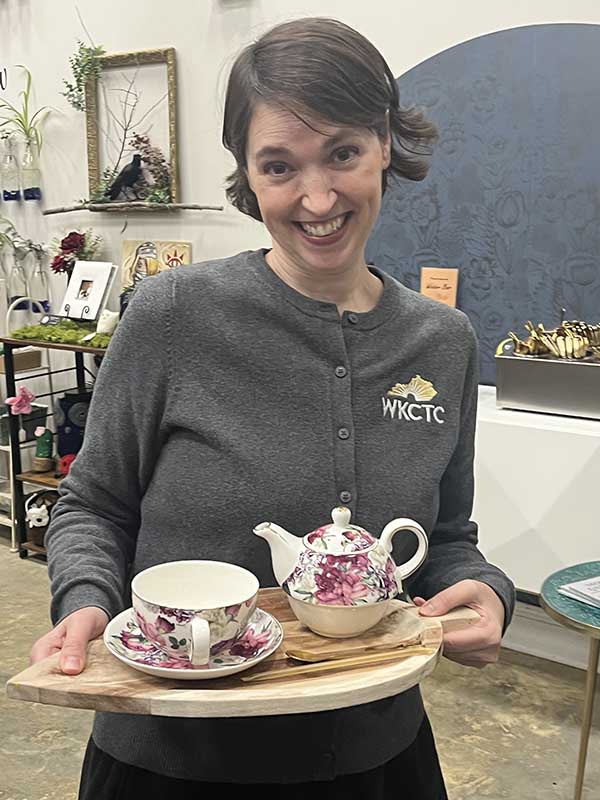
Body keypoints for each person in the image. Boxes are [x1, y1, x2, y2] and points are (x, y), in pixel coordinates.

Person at [30, 17, 515, 799]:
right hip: (173, 759)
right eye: (280, 165)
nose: (317, 196)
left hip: (372, 753)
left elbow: (448, 538)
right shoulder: (172, 316)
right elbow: (91, 506)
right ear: (248, 177)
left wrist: (486, 591)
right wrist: (86, 602)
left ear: (385, 145)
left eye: (344, 154)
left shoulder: (443, 342)